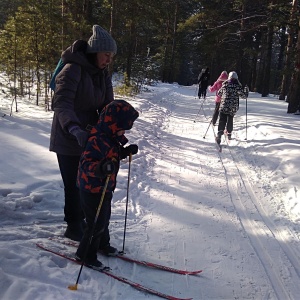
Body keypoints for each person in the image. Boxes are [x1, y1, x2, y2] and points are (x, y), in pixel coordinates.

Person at [49, 24, 117, 242]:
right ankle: (73, 225)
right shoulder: (72, 69)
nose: (108, 60)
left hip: (91, 138)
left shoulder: (102, 74)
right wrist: (74, 128)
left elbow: (108, 106)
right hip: (68, 134)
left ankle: (86, 222)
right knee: (73, 183)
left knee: (87, 182)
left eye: (110, 56)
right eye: (106, 55)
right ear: (95, 51)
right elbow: (61, 103)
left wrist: (115, 127)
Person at [75, 99, 139, 270]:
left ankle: (103, 244)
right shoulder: (96, 139)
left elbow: (113, 156)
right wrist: (101, 168)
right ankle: (85, 254)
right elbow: (86, 164)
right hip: (91, 188)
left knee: (104, 219)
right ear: (113, 123)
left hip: (105, 187)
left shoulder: (110, 137)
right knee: (95, 223)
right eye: (123, 127)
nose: (124, 131)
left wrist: (126, 151)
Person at [216, 71, 249, 144]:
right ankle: (229, 134)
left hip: (224, 106)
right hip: (233, 107)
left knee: (222, 120)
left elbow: (218, 93)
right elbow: (244, 96)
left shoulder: (225, 85)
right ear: (236, 78)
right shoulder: (238, 87)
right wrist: (246, 90)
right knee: (230, 119)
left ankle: (219, 134)